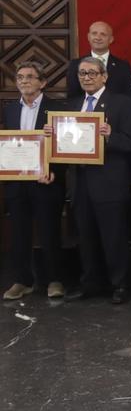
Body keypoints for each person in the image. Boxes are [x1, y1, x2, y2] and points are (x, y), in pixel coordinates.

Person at [63, 57, 131, 304]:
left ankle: (120, 285)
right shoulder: (72, 106)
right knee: (85, 237)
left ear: (104, 76)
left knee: (113, 236)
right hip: (80, 181)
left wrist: (109, 136)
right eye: (83, 73)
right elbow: (66, 144)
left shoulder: (121, 103)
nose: (87, 77)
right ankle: (90, 283)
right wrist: (53, 136)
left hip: (109, 182)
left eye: (92, 73)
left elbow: (130, 142)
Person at [2, 62, 66, 300]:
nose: (24, 81)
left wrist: (55, 171)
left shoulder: (56, 108)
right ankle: (22, 280)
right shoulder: (9, 110)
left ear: (43, 82)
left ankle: (54, 280)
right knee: (18, 233)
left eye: (30, 77)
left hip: (46, 181)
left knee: (50, 232)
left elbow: (66, 146)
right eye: (20, 77)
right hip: (17, 183)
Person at [67, 21, 131, 99]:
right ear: (88, 37)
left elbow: (128, 97)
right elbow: (73, 96)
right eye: (94, 33)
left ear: (111, 39)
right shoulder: (75, 64)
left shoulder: (123, 66)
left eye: (103, 34)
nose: (98, 38)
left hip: (114, 110)